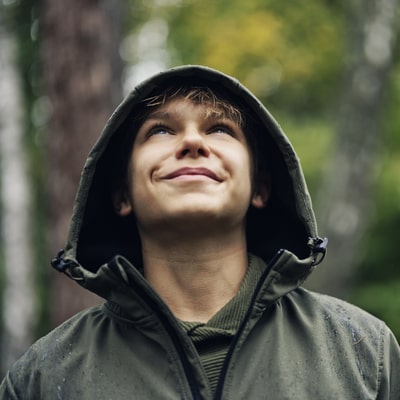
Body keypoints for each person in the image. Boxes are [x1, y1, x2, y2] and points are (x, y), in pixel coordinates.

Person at [1, 65, 399, 399]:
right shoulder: (43, 378)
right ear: (122, 194)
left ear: (260, 186)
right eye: (160, 130)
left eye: (221, 129)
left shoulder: (364, 354)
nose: (192, 141)